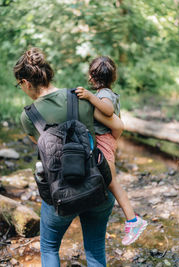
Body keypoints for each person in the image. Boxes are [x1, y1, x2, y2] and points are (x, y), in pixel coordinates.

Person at [14, 47, 124, 267]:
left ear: (26, 82)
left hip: (61, 195)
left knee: (49, 247)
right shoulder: (80, 97)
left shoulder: (28, 116)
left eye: (19, 85)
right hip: (98, 186)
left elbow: (46, 150)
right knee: (94, 251)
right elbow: (117, 126)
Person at [75, 56, 148, 246]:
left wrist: (90, 97)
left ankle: (133, 220)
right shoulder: (105, 92)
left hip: (104, 141)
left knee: (113, 182)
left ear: (91, 76)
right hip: (105, 140)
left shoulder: (104, 94)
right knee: (107, 179)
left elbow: (107, 111)